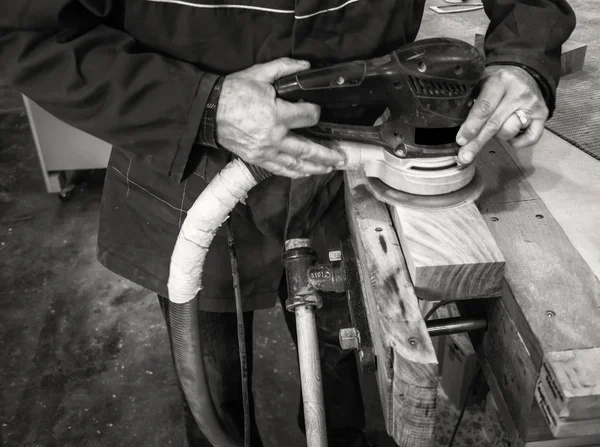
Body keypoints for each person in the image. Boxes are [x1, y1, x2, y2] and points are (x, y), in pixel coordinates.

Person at [0, 1, 575, 446]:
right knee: (214, 390)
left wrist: (524, 56)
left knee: (346, 377)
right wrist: (201, 106)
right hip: (190, 161)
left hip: (357, 158)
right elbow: (24, 30)